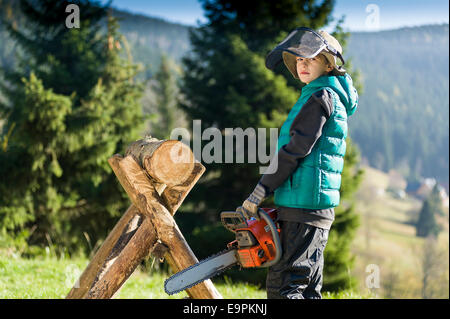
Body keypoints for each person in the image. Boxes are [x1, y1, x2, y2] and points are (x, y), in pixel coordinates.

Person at [236, 27, 358, 299]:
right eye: (299, 60)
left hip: (303, 205)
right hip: (311, 206)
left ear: (327, 62)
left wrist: (261, 190)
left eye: (310, 59)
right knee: (306, 288)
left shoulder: (320, 97)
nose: (303, 65)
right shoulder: (325, 95)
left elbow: (295, 150)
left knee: (285, 287)